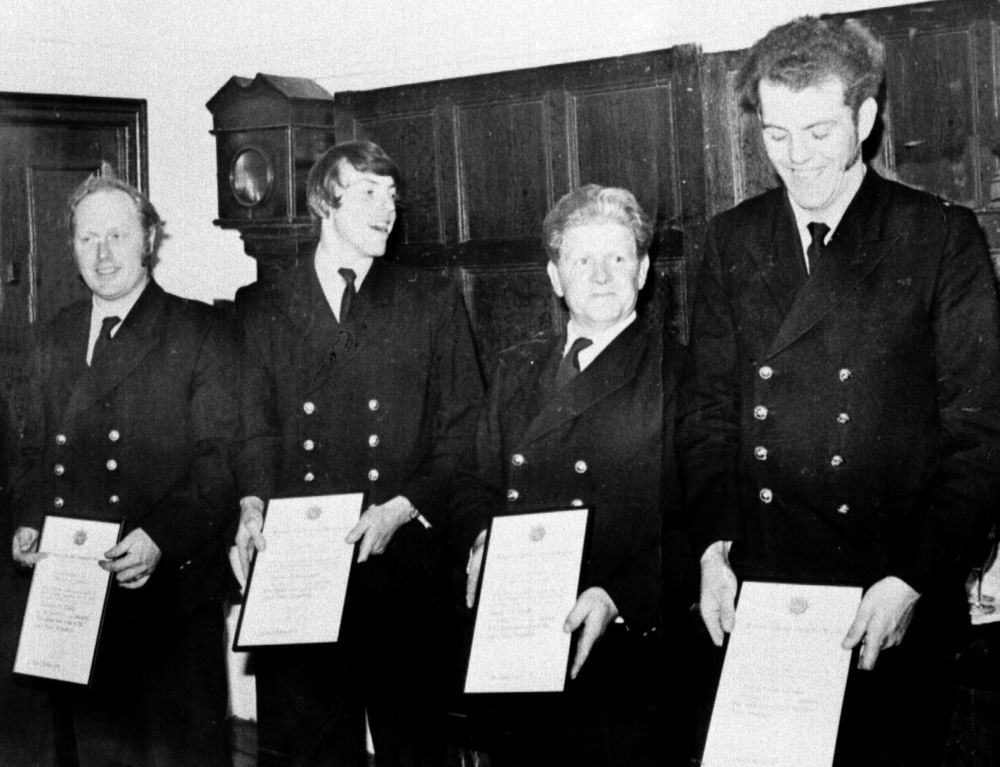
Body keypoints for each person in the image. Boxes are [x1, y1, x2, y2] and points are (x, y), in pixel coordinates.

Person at [677, 16, 1000, 766]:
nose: (798, 158)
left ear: (865, 116)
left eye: (820, 131)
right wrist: (712, 547)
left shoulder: (938, 236)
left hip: (885, 593)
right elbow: (707, 416)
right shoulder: (731, 240)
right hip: (764, 588)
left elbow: (983, 436)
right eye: (777, 134)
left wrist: (915, 577)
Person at [233, 140, 483, 767]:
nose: (387, 208)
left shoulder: (430, 301)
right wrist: (251, 505)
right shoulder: (261, 305)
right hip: (299, 574)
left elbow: (466, 434)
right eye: (368, 192)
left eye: (392, 195)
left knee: (413, 752)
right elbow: (253, 430)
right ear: (324, 201)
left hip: (401, 570)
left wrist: (401, 507)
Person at [459, 184, 693, 766]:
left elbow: (702, 526)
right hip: (518, 648)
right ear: (555, 276)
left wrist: (619, 596)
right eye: (581, 260)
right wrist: (481, 536)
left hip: (624, 656)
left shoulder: (683, 373)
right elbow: (474, 482)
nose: (601, 275)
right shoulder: (516, 369)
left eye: (617, 258)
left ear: (643, 271)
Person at [9, 176, 238, 766]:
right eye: (88, 238)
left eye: (117, 235)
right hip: (75, 601)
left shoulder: (199, 332)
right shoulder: (52, 337)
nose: (103, 253)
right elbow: (32, 453)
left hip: (167, 599)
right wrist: (28, 521)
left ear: (150, 240)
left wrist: (161, 537)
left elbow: (220, 464)